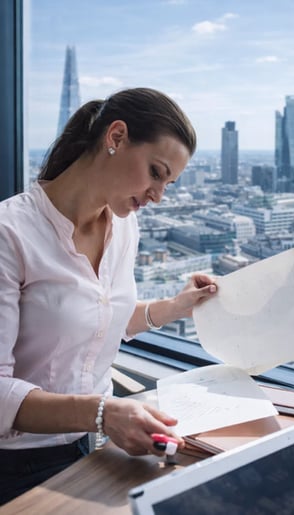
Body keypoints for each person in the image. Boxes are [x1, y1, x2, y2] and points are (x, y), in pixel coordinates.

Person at [0, 87, 217, 505]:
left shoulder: (123, 226)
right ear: (115, 138)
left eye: (168, 183)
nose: (159, 196)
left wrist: (175, 307)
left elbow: (96, 320)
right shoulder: (10, 236)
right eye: (156, 172)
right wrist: (103, 412)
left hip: (92, 447)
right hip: (16, 464)